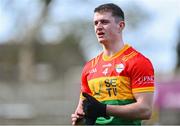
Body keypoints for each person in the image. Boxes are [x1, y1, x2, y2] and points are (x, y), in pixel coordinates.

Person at [71, 3, 155, 125]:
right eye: (95, 23)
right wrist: (79, 120)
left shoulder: (138, 62)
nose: (98, 27)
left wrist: (104, 110)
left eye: (104, 22)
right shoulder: (89, 67)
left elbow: (145, 110)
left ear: (120, 26)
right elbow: (82, 111)